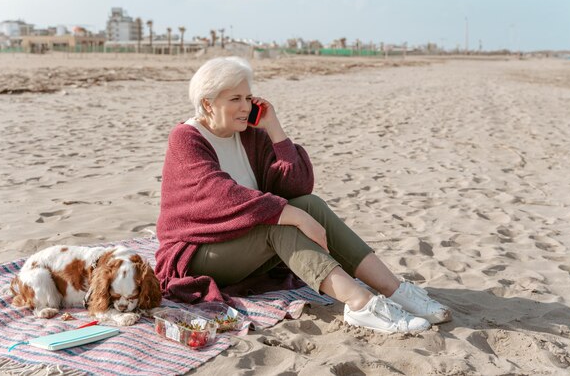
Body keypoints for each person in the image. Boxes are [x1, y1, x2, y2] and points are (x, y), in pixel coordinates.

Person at [154, 57, 452, 333]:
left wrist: (274, 128)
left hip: (244, 242)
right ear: (207, 104)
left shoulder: (248, 135)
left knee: (311, 205)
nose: (245, 106)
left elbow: (298, 187)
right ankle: (360, 304)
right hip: (198, 251)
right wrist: (293, 216)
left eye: (248, 98)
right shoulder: (186, 138)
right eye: (235, 99)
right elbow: (218, 194)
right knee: (281, 224)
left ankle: (396, 290)